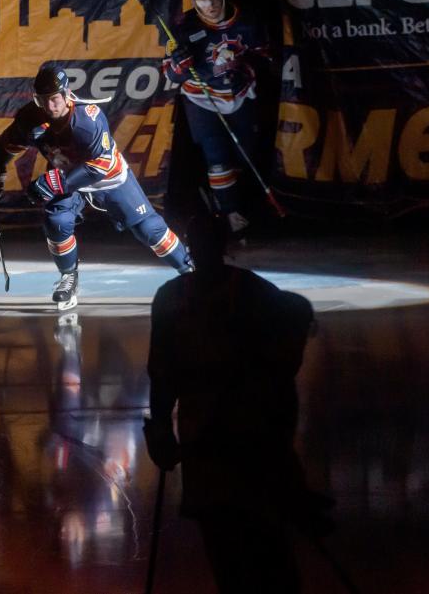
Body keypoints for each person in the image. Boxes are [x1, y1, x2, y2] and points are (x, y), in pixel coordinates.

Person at [142, 213, 325, 594]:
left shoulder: (177, 297)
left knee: (240, 551)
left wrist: (160, 426)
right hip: (227, 445)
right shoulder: (252, 296)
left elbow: (163, 373)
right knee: (254, 553)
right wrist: (159, 426)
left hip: (222, 444)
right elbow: (163, 372)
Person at [0, 64, 193, 324]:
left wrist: (55, 182)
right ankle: (68, 275)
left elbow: (99, 166)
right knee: (56, 222)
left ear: (67, 95)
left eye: (55, 98)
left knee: (149, 230)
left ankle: (189, 270)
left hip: (104, 177)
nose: (50, 106)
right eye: (42, 100)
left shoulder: (88, 120)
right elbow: (9, 143)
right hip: (66, 175)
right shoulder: (31, 118)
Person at [161, 0, 268, 236]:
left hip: (241, 94)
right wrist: (179, 65)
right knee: (217, 158)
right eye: (202, 0)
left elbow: (265, 54)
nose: (209, 5)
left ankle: (239, 202)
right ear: (194, 1)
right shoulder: (184, 28)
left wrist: (250, 60)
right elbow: (171, 75)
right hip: (203, 99)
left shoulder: (246, 19)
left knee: (245, 154)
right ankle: (229, 213)